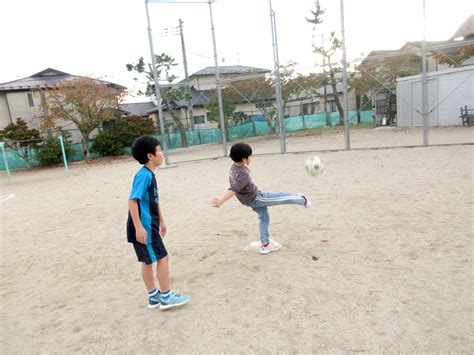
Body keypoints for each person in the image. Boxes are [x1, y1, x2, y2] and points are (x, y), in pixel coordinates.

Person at [211, 142, 311, 255]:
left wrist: (246, 164)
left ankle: (265, 245)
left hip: (248, 200)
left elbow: (243, 173)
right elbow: (233, 189)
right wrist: (221, 201)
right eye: (249, 156)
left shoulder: (234, 167)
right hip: (257, 198)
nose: (250, 158)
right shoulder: (243, 174)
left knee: (264, 219)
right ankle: (303, 199)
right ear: (244, 159)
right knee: (282, 197)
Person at [127, 135, 189, 310]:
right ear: (150, 156)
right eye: (159, 149)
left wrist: (162, 221)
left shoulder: (149, 175)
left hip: (149, 225)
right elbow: (132, 201)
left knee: (148, 261)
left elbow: (154, 201)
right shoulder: (144, 176)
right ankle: (166, 296)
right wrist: (139, 227)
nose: (162, 153)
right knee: (163, 258)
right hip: (144, 227)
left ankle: (153, 297)